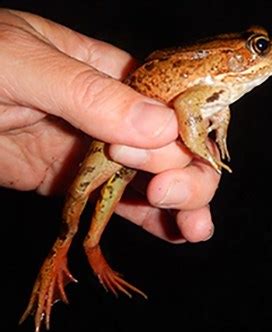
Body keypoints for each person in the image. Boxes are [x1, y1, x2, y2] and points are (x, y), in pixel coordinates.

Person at [0, 8, 220, 243]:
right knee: (79, 191)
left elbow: (216, 103)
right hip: (118, 136)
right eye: (259, 47)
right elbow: (188, 102)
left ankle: (92, 244)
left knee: (117, 184)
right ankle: (62, 249)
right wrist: (201, 147)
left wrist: (218, 128)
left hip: (132, 148)